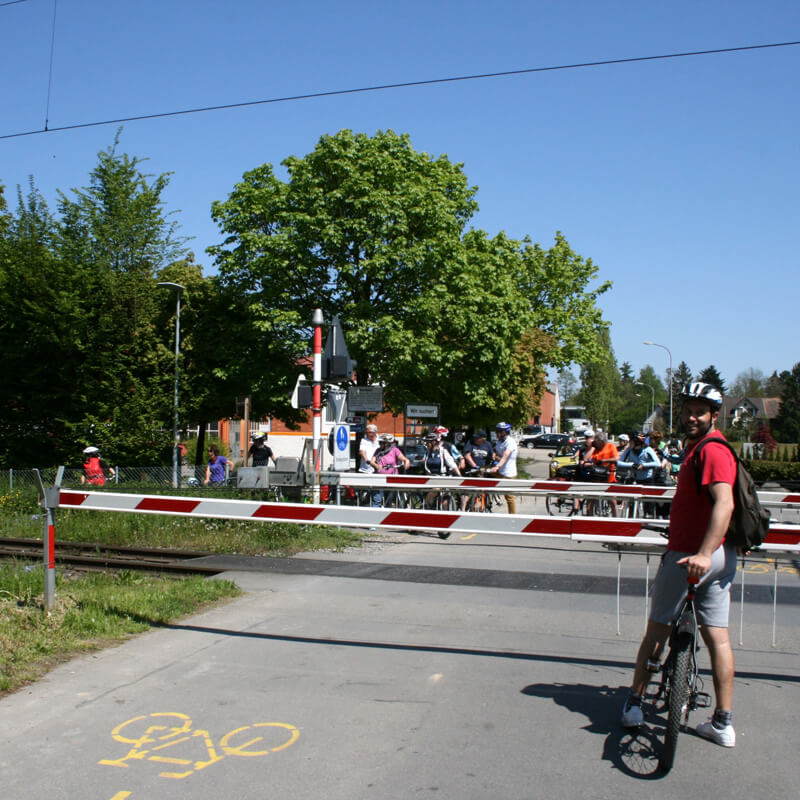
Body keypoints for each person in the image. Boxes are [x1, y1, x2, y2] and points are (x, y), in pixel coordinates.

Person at [621, 382, 738, 748]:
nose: (690, 417)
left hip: (695, 554)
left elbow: (725, 504)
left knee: (658, 629)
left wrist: (703, 552)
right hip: (708, 553)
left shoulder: (713, 451)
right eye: (687, 409)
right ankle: (722, 723)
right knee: (715, 635)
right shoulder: (695, 449)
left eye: (699, 411)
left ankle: (635, 702)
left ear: (713, 416)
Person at [487, 422, 518, 514]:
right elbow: (497, 451)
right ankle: (489, 498)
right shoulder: (500, 441)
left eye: (499, 431)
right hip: (500, 471)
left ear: (505, 432)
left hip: (508, 473)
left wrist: (497, 466)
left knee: (509, 497)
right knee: (484, 472)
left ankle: (513, 518)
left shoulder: (510, 442)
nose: (497, 433)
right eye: (497, 431)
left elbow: (505, 455)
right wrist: (494, 454)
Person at [461, 429, 495, 510]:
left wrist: (493, 463)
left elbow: (492, 455)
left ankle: (484, 504)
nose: (475, 439)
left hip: (483, 470)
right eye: (475, 438)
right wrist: (474, 466)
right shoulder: (470, 443)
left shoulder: (487, 445)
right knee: (466, 492)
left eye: (477, 438)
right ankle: (462, 510)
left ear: (483, 439)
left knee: (483, 486)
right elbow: (467, 455)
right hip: (471, 470)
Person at [374, 433, 411, 507]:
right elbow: (372, 460)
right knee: (377, 499)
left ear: (387, 444)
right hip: (379, 479)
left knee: (389, 499)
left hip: (391, 478)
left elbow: (404, 459)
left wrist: (406, 462)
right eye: (379, 442)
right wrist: (376, 465)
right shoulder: (378, 451)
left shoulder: (395, 450)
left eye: (381, 443)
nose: (379, 444)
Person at [358, 424, 382, 507]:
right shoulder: (364, 440)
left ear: (373, 432)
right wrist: (366, 460)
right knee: (365, 490)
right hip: (365, 469)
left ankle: (376, 505)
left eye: (368, 432)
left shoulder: (380, 440)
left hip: (376, 469)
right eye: (366, 432)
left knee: (376, 491)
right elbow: (362, 451)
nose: (366, 433)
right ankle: (364, 503)